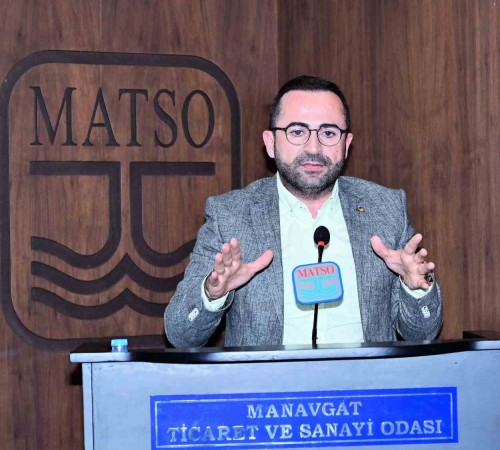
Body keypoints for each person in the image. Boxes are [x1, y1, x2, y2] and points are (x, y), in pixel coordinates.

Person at [164, 75, 443, 348]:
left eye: (329, 133)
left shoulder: (386, 209)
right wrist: (213, 295)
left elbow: (423, 333)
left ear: (346, 144)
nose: (314, 148)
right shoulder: (230, 216)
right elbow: (180, 335)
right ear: (271, 143)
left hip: (363, 379)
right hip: (272, 380)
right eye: (297, 132)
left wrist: (416, 289)